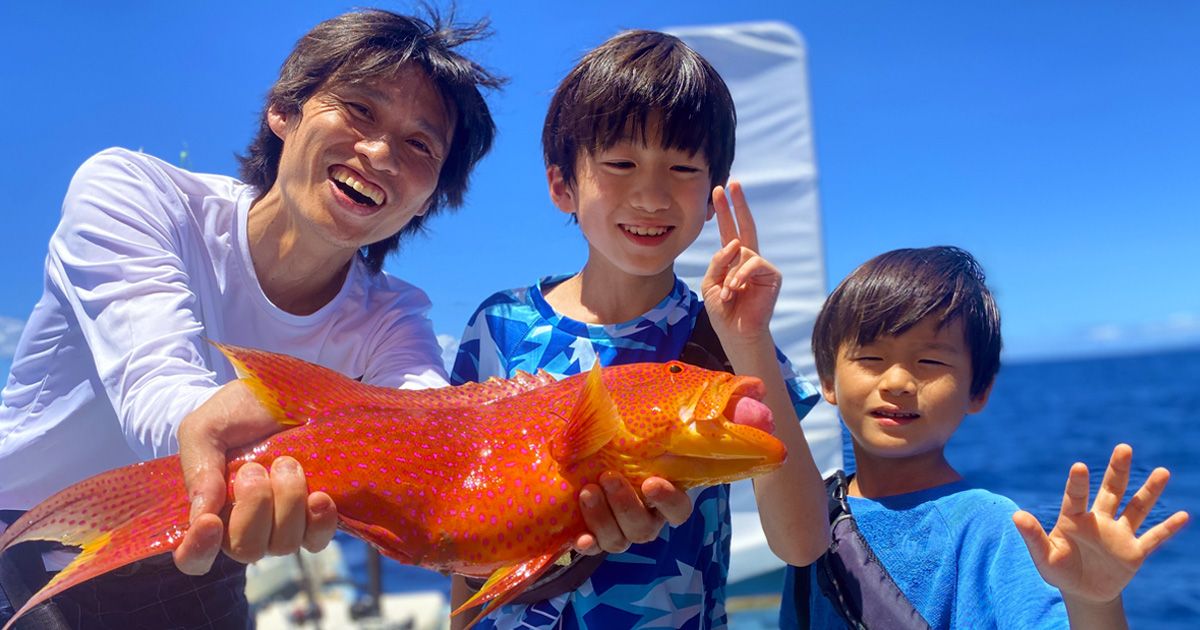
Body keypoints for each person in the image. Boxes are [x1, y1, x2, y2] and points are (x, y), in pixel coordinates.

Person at [0, 9, 501, 627]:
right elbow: (156, 387)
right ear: (284, 111)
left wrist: (555, 530)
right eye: (359, 110)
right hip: (18, 541)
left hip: (201, 565)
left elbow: (427, 435)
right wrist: (223, 435)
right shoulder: (134, 194)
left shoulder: (396, 315)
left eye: (419, 145)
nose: (378, 152)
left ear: (431, 198)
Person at [449, 30, 831, 629]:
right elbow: (463, 521)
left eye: (681, 168)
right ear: (561, 186)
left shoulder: (727, 333)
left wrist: (750, 341)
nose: (651, 195)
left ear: (710, 200)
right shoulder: (498, 325)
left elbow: (802, 543)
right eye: (621, 163)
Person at [779, 246, 1190, 629]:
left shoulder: (988, 526)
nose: (898, 381)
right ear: (828, 379)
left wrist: (1094, 603)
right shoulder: (809, 508)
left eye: (930, 360)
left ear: (979, 390)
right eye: (870, 358)